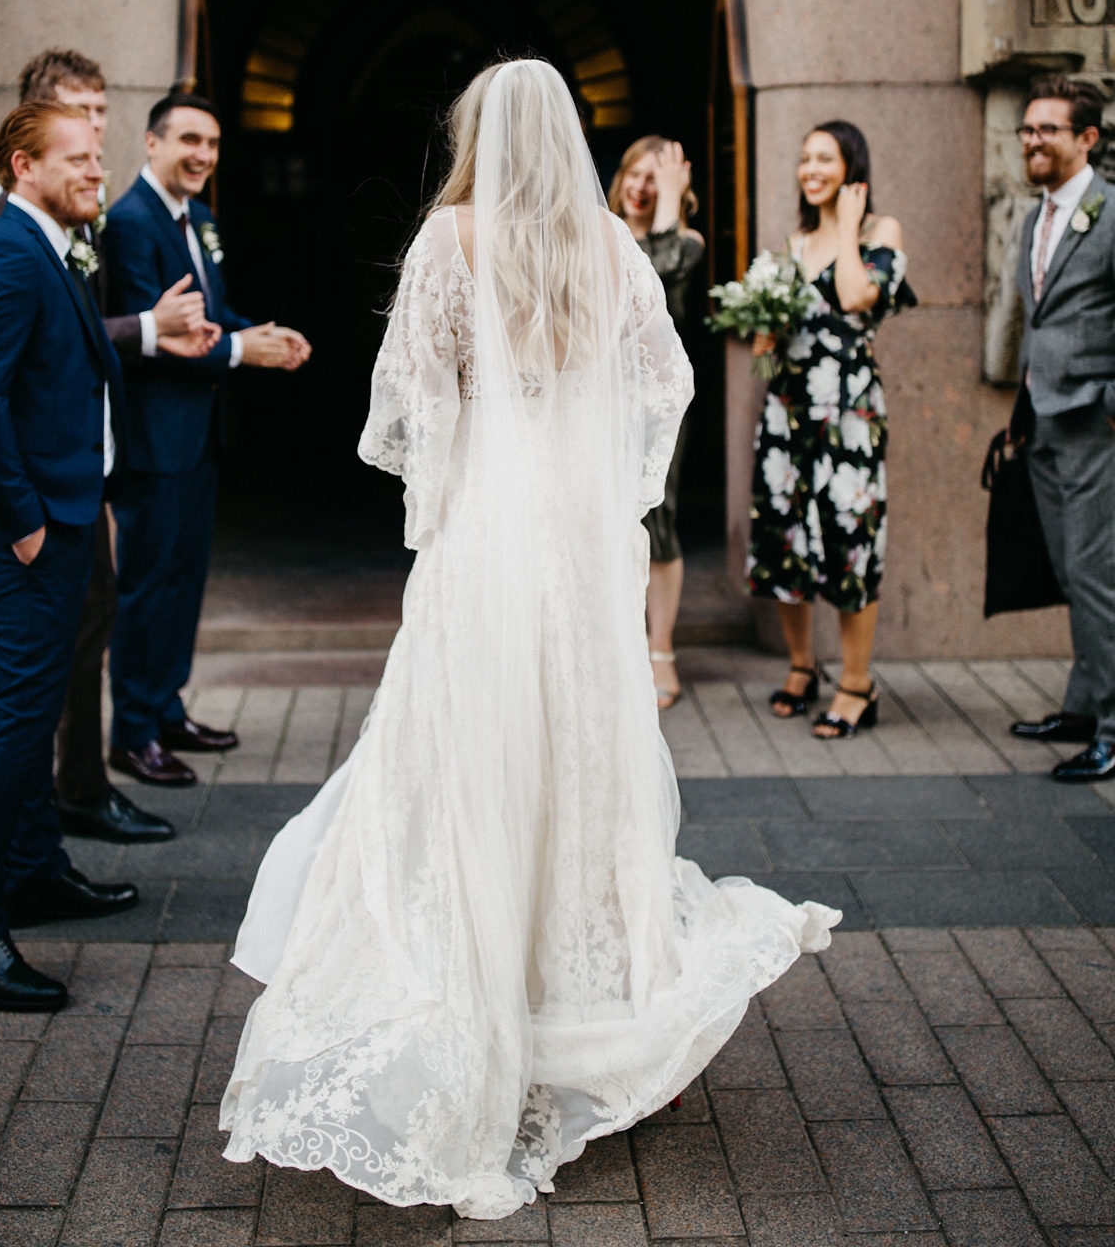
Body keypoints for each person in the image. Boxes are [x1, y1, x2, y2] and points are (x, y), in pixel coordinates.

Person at [218, 60, 837, 1218]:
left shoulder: (448, 241)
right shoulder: (610, 246)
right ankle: (600, 1019)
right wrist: (608, 490)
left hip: (488, 538)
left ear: (479, 135)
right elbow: (666, 383)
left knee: (467, 767)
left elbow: (415, 410)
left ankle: (482, 1010)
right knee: (585, 768)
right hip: (574, 545)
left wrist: (442, 515)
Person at [0, 49, 220, 844]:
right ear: (33, 142)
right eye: (84, 121)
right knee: (21, 678)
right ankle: (13, 833)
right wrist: (24, 521)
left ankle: (60, 808)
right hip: (34, 494)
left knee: (81, 631)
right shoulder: (7, 229)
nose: (100, 138)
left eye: (103, 118)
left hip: (78, 472)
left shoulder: (79, 221)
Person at [0, 103, 140, 1011]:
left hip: (66, 507)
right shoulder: (10, 255)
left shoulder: (58, 243)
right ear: (24, 166)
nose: (98, 170)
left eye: (99, 156)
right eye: (79, 158)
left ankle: (31, 868)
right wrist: (25, 523)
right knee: (15, 726)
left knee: (37, 703)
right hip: (28, 526)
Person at [102, 91, 312, 786]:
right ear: (152, 143)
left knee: (184, 580)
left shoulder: (202, 219)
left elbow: (210, 317)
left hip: (197, 438)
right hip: (156, 438)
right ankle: (132, 731)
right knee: (146, 585)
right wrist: (234, 355)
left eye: (213, 145)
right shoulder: (130, 224)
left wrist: (259, 335)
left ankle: (166, 708)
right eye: (189, 140)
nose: (203, 156)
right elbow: (149, 338)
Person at [748, 121, 914, 738]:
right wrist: (763, 332)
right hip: (788, 411)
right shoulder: (791, 243)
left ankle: (856, 685)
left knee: (850, 540)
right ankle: (801, 666)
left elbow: (853, 297)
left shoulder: (880, 234)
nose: (810, 169)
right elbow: (779, 336)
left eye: (825, 158)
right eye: (804, 158)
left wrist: (846, 227)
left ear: (851, 168)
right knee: (788, 539)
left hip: (849, 416)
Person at [1006, 77, 1115, 781]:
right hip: (1044, 422)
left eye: (1048, 129)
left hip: (1095, 423)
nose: (1032, 140)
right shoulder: (1034, 217)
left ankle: (1111, 725)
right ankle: (1082, 704)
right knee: (1072, 573)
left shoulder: (1110, 213)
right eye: (1026, 130)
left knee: (1098, 576)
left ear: (1087, 139)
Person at [609, 136, 704, 708]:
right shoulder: (598, 232)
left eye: (656, 179)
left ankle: (660, 649)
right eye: (635, 175)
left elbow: (661, 279)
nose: (642, 188)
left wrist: (672, 205)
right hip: (600, 397)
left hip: (659, 404)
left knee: (658, 518)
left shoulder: (685, 241)